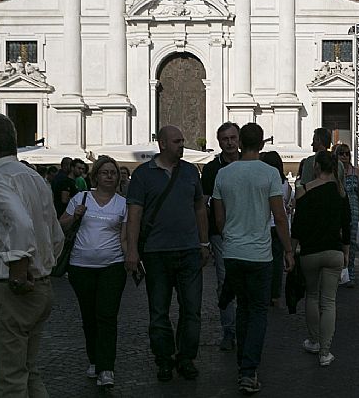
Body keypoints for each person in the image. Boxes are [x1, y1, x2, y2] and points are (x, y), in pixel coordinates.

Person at [0, 113, 64, 397]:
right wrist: (42, 268)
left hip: (12, 290)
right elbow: (55, 236)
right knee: (28, 372)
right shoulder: (34, 178)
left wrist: (19, 273)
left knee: (9, 380)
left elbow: (20, 224)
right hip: (40, 285)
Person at [212, 123, 293, 395]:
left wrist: (230, 236)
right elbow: (279, 217)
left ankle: (242, 365)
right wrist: (289, 250)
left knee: (243, 308)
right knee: (258, 312)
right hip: (259, 254)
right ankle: (248, 371)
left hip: (233, 251)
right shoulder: (269, 173)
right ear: (261, 143)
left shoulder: (223, 174)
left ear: (240, 143)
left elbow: (219, 218)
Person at [125, 125, 210, 383]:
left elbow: (199, 208)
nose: (181, 145)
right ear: (162, 144)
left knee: (192, 310)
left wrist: (204, 243)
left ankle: (186, 358)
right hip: (156, 253)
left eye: (182, 140)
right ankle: (163, 359)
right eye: (176, 141)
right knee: (159, 311)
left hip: (188, 251)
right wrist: (132, 250)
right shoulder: (142, 175)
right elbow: (135, 215)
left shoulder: (190, 172)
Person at [59, 156, 128, 388]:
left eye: (113, 173)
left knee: (107, 316)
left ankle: (106, 367)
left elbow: (125, 236)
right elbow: (62, 225)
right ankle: (94, 359)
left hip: (112, 266)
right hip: (81, 267)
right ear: (95, 175)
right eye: (105, 172)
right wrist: (75, 215)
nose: (109, 176)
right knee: (89, 316)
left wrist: (131, 257)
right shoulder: (81, 198)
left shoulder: (122, 203)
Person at [292, 150, 351, 367]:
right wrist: (346, 251)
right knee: (329, 302)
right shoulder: (340, 192)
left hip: (310, 252)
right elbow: (347, 224)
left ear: (316, 167)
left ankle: (314, 341)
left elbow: (297, 226)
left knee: (313, 297)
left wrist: (291, 251)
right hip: (334, 251)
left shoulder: (304, 190)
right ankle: (325, 352)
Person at [202, 121, 241, 352]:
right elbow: (203, 202)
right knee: (224, 281)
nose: (229, 142)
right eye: (225, 139)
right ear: (219, 142)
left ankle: (243, 328)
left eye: (232, 138)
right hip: (220, 234)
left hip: (247, 232)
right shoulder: (210, 169)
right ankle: (229, 330)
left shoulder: (250, 164)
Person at [259, 151, 291, 306]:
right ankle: (275, 294)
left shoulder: (263, 181)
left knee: (264, 261)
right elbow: (285, 205)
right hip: (279, 226)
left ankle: (264, 291)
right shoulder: (285, 184)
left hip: (265, 225)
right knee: (277, 262)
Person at [336, 144, 359, 287]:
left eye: (346, 153)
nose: (344, 156)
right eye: (341, 153)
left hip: (353, 207)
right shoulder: (333, 172)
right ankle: (338, 272)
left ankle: (350, 272)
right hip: (338, 207)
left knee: (351, 241)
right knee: (338, 240)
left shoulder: (355, 171)